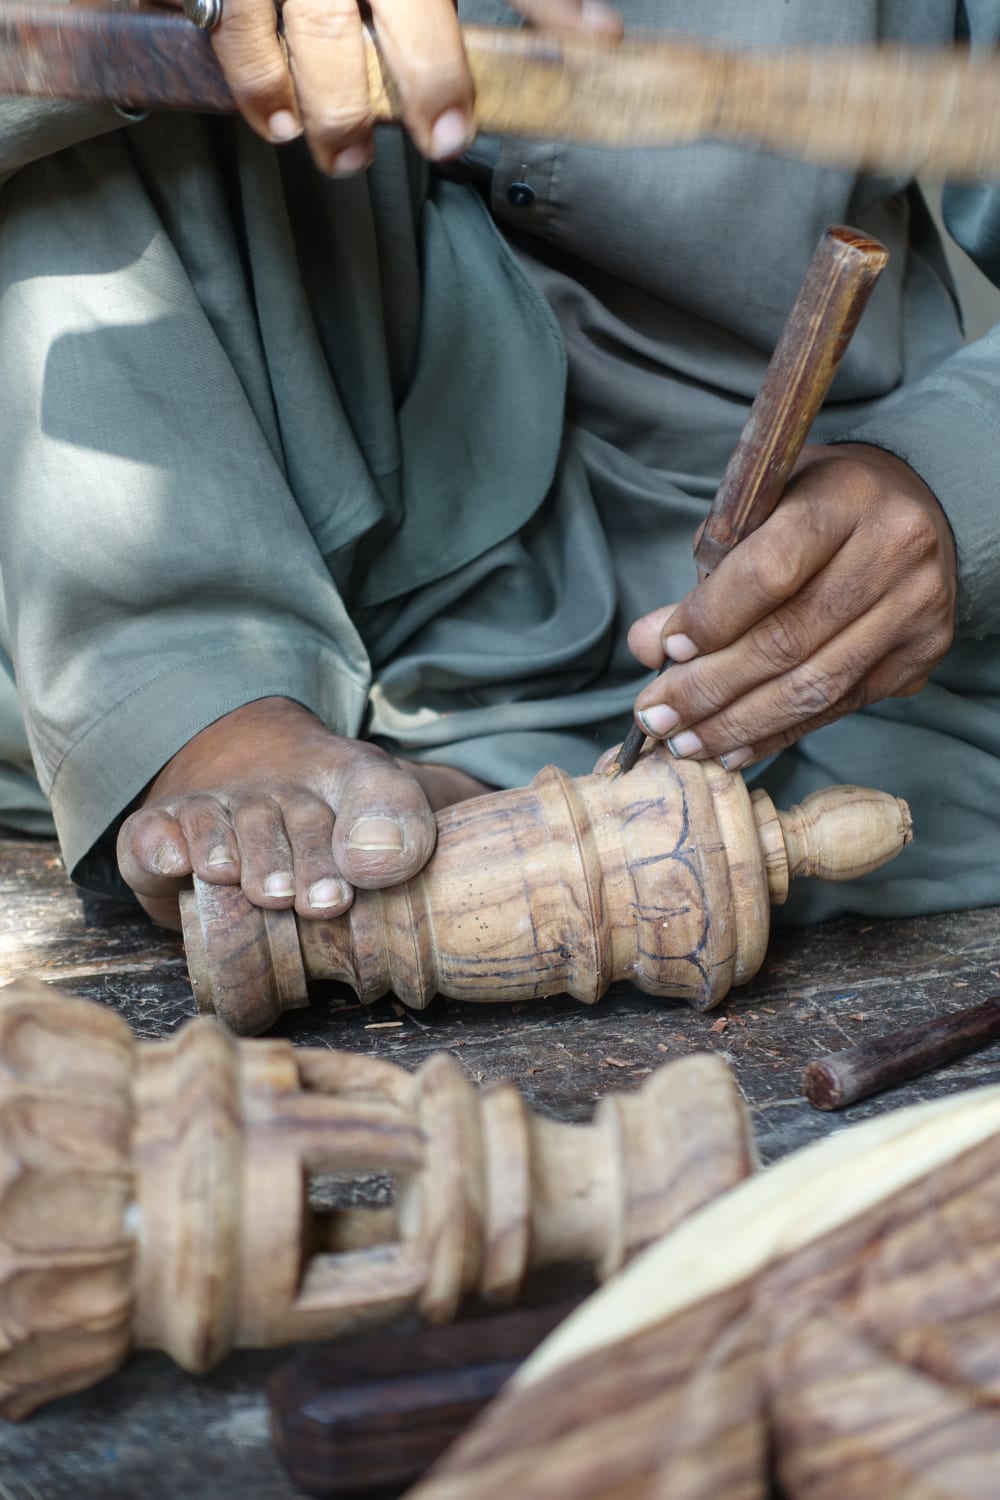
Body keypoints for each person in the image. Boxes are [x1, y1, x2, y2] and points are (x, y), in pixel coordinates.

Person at [0, 0, 996, 937]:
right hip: (192, 511)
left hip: (765, 570)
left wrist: (943, 489)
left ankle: (506, 794)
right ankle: (205, 713)